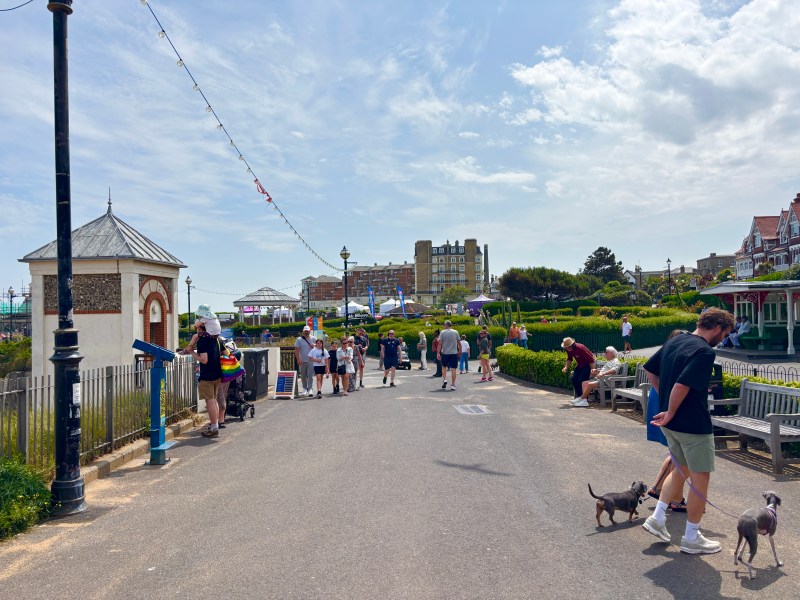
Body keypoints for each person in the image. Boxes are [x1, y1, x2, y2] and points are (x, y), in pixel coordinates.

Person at [642, 307, 734, 555]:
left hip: (671, 425)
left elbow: (651, 370)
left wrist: (666, 406)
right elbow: (683, 384)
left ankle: (658, 518)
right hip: (693, 424)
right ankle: (692, 537)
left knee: (680, 468)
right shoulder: (704, 351)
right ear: (717, 328)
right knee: (700, 478)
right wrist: (671, 409)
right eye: (724, 333)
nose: (723, 338)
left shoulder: (677, 340)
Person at [646, 330, 691, 513]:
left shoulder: (665, 353)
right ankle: (673, 497)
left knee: (675, 451)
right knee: (678, 452)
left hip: (660, 399)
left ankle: (665, 492)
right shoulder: (679, 356)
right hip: (669, 402)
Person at [185, 320, 223, 438]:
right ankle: (215, 425)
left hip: (207, 376)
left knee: (210, 401)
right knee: (214, 400)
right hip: (217, 374)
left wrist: (191, 351)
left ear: (201, 329)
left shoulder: (203, 341)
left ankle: (214, 428)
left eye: (197, 328)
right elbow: (224, 352)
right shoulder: (216, 339)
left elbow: (204, 359)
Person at [214, 338, 241, 428]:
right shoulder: (224, 347)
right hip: (226, 375)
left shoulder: (218, 344)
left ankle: (218, 421)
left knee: (218, 398)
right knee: (222, 397)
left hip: (220, 376)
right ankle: (220, 421)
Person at [561, 337, 595, 402]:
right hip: (580, 365)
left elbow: (591, 359)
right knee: (573, 380)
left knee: (581, 380)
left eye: (568, 347)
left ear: (572, 345)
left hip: (587, 365)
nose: (567, 349)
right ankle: (580, 397)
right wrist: (566, 367)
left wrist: (592, 370)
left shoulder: (580, 348)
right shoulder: (569, 350)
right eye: (566, 347)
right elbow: (569, 359)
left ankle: (584, 399)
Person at [294, 325, 316, 397]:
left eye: (307, 331)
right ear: (303, 332)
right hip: (303, 360)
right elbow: (296, 349)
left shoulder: (314, 338)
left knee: (310, 375)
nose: (306, 332)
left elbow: (319, 346)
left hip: (311, 360)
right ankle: (304, 388)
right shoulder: (299, 339)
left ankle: (310, 389)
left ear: (310, 331)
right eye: (305, 331)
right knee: (303, 375)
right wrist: (298, 358)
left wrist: (314, 345)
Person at [438, 320, 460, 391]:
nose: (444, 326)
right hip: (454, 353)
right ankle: (453, 384)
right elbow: (459, 342)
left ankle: (444, 379)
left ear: (446, 325)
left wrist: (438, 353)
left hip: (445, 353)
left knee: (444, 366)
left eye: (444, 324)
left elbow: (440, 343)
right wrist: (460, 351)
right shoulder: (455, 332)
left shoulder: (442, 332)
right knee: (453, 368)